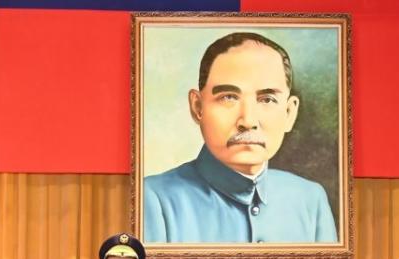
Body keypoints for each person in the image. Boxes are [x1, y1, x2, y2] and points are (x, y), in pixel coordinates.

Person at [144, 31, 338, 244]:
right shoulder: (155, 198)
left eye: (267, 99)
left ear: (290, 113)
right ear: (197, 107)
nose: (248, 120)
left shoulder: (310, 199)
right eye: (229, 97)